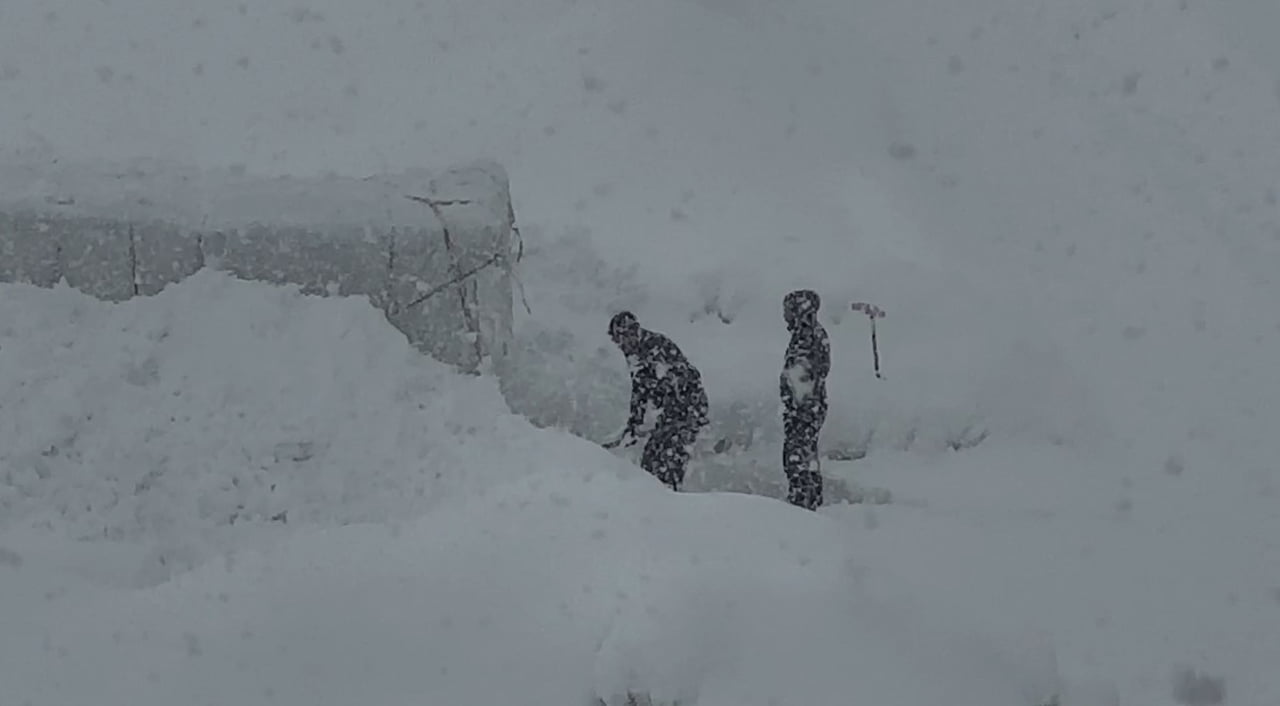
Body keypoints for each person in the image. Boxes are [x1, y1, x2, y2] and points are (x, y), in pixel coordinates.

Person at [604, 311, 709, 491]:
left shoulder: (656, 347)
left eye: (620, 339)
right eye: (616, 341)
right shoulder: (634, 353)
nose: (619, 345)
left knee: (670, 457)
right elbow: (640, 390)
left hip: (687, 409)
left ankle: (669, 498)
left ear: (631, 333)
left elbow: (680, 379)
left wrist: (668, 413)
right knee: (651, 460)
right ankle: (656, 495)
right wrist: (634, 424)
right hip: (672, 413)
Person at [779, 289, 830, 510]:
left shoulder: (806, 337)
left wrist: (796, 405)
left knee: (796, 455)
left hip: (804, 409)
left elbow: (801, 375)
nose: (786, 317)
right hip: (810, 407)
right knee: (805, 454)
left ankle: (802, 501)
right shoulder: (814, 334)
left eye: (788, 311)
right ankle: (809, 498)